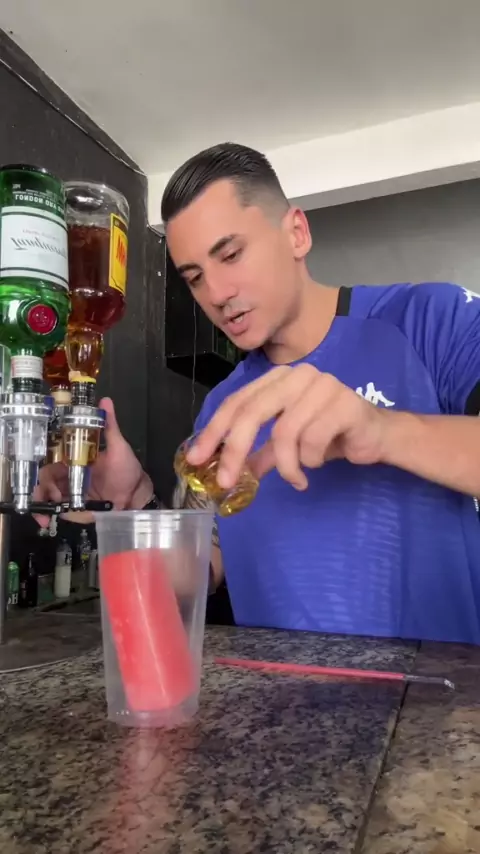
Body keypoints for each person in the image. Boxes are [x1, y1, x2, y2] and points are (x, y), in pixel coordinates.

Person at [37, 142, 480, 644]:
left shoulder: (430, 320)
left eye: (231, 255)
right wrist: (131, 506)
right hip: (273, 693)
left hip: (431, 691)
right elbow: (198, 575)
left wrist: (383, 430)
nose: (217, 294)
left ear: (296, 233)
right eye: (195, 278)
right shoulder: (221, 408)